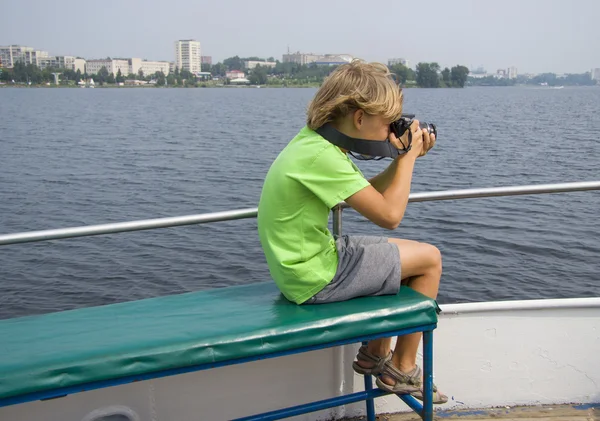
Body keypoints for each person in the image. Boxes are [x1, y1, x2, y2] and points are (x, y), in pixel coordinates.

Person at [257, 59, 447, 404]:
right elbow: (389, 214)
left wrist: (400, 156)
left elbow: (367, 196)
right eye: (387, 123)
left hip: (305, 265)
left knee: (404, 251)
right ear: (359, 117)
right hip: (316, 276)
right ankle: (401, 368)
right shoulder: (323, 158)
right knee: (430, 259)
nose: (390, 131)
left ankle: (375, 354)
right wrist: (407, 158)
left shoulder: (314, 144)